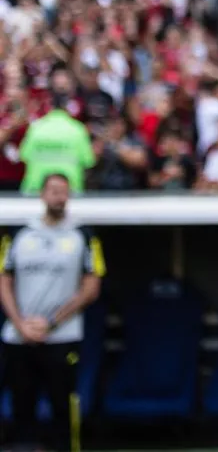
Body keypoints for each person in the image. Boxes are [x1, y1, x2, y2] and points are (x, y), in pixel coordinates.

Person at [0, 173, 106, 452]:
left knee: (62, 405)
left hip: (62, 337)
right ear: (42, 194)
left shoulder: (83, 235)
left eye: (63, 191)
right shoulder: (18, 233)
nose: (59, 196)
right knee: (21, 405)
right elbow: (4, 281)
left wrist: (50, 322)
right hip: (19, 336)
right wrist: (20, 323)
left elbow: (91, 286)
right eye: (53, 190)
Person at [18, 92, 95, 194]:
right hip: (69, 190)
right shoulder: (77, 129)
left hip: (35, 188)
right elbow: (88, 160)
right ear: (67, 107)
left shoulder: (36, 127)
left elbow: (23, 155)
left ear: (49, 107)